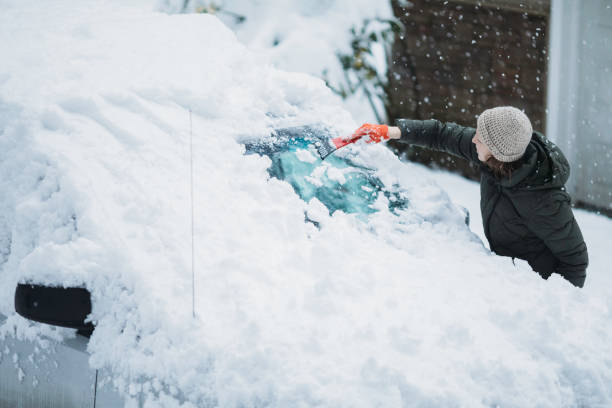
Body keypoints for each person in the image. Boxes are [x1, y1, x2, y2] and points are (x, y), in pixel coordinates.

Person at [350, 106, 588, 288]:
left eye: (480, 139)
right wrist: (389, 132)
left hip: (532, 286)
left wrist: (557, 306)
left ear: (498, 153)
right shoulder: (493, 158)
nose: (474, 139)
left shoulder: (544, 201)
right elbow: (441, 134)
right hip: (502, 273)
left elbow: (575, 260)